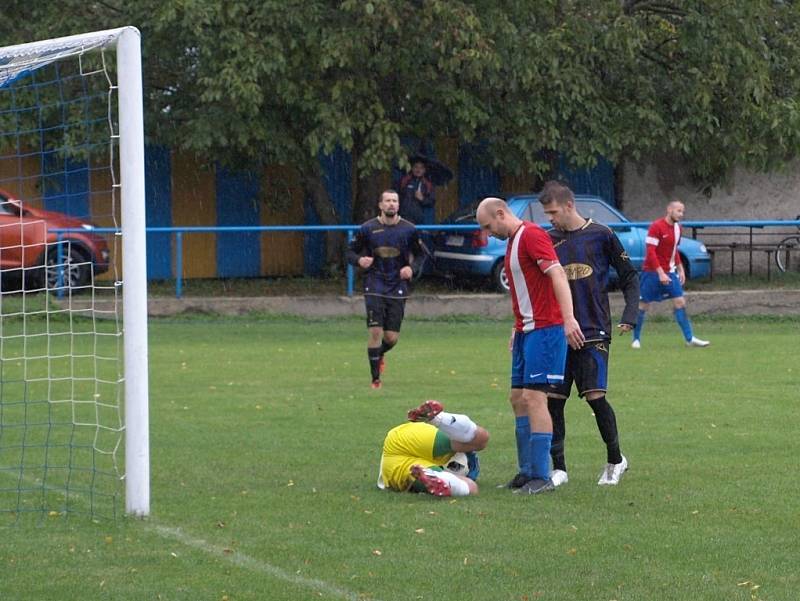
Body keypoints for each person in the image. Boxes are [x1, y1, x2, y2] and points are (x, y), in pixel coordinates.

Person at [475, 197, 584, 495]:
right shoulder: (513, 241)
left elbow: (558, 274)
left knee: (535, 399)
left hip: (546, 330)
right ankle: (526, 472)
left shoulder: (532, 235)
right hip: (526, 331)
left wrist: (569, 319)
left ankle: (541, 475)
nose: (488, 233)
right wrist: (517, 325)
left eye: (488, 226)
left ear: (500, 214)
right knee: (517, 398)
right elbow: (528, 290)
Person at [538, 181, 638, 487]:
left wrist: (630, 315)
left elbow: (630, 276)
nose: (550, 218)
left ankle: (615, 460)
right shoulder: (546, 239)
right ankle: (559, 469)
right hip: (557, 332)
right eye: (546, 213)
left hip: (593, 329)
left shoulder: (602, 234)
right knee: (554, 400)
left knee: (595, 397)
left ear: (569, 205)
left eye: (553, 212)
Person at [346, 189, 427, 389]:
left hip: (398, 284)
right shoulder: (368, 228)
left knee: (391, 337)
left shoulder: (409, 229)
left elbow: (422, 255)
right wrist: (359, 260)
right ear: (380, 205)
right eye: (388, 201)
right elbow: (349, 252)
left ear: (398, 205)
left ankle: (379, 353)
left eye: (395, 201)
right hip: (374, 283)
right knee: (375, 331)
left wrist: (411, 268)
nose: (391, 204)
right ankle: (375, 380)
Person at [632, 200, 709, 348]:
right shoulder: (656, 227)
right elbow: (651, 252)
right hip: (652, 272)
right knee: (643, 305)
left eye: (682, 211)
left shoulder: (678, 229)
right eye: (678, 211)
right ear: (669, 210)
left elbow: (675, 251)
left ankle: (689, 338)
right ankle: (636, 339)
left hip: (670, 272)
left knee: (680, 302)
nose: (681, 214)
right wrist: (660, 273)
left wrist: (680, 268)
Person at [377, 400, 489, 497]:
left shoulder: (459, 454)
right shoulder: (454, 456)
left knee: (482, 440)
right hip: (393, 469)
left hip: (399, 445)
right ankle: (448, 482)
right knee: (471, 487)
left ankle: (439, 419)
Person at [397, 159, 435, 224]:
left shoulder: (427, 184)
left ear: (424, 170)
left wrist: (422, 199)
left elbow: (431, 202)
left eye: (421, 168)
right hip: (402, 217)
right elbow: (396, 195)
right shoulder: (404, 180)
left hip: (419, 219)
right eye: (416, 167)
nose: (418, 170)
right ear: (412, 168)